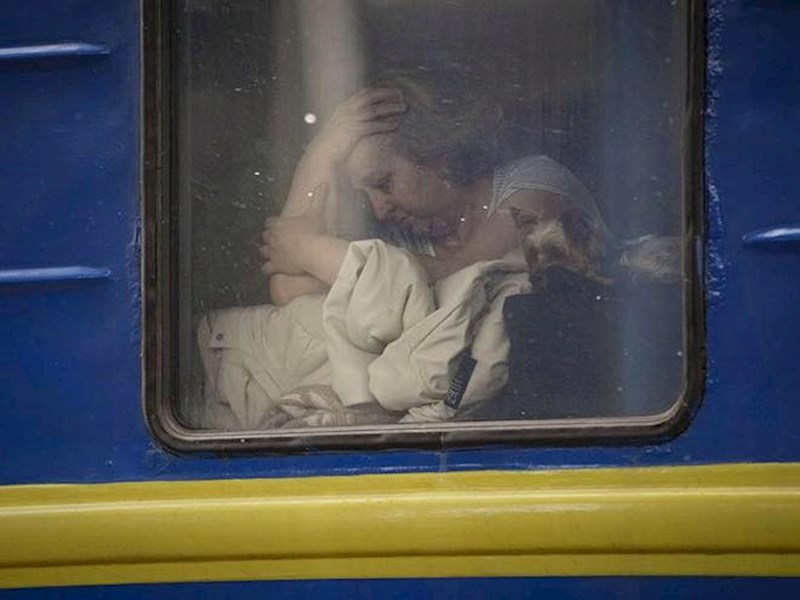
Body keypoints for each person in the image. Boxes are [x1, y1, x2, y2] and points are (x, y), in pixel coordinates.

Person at [192, 70, 624, 431]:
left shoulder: (535, 185)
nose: (379, 208)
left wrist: (310, 249)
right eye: (367, 195)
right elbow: (289, 291)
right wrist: (322, 151)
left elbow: (463, 273)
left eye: (384, 183)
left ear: (436, 155)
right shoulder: (409, 243)